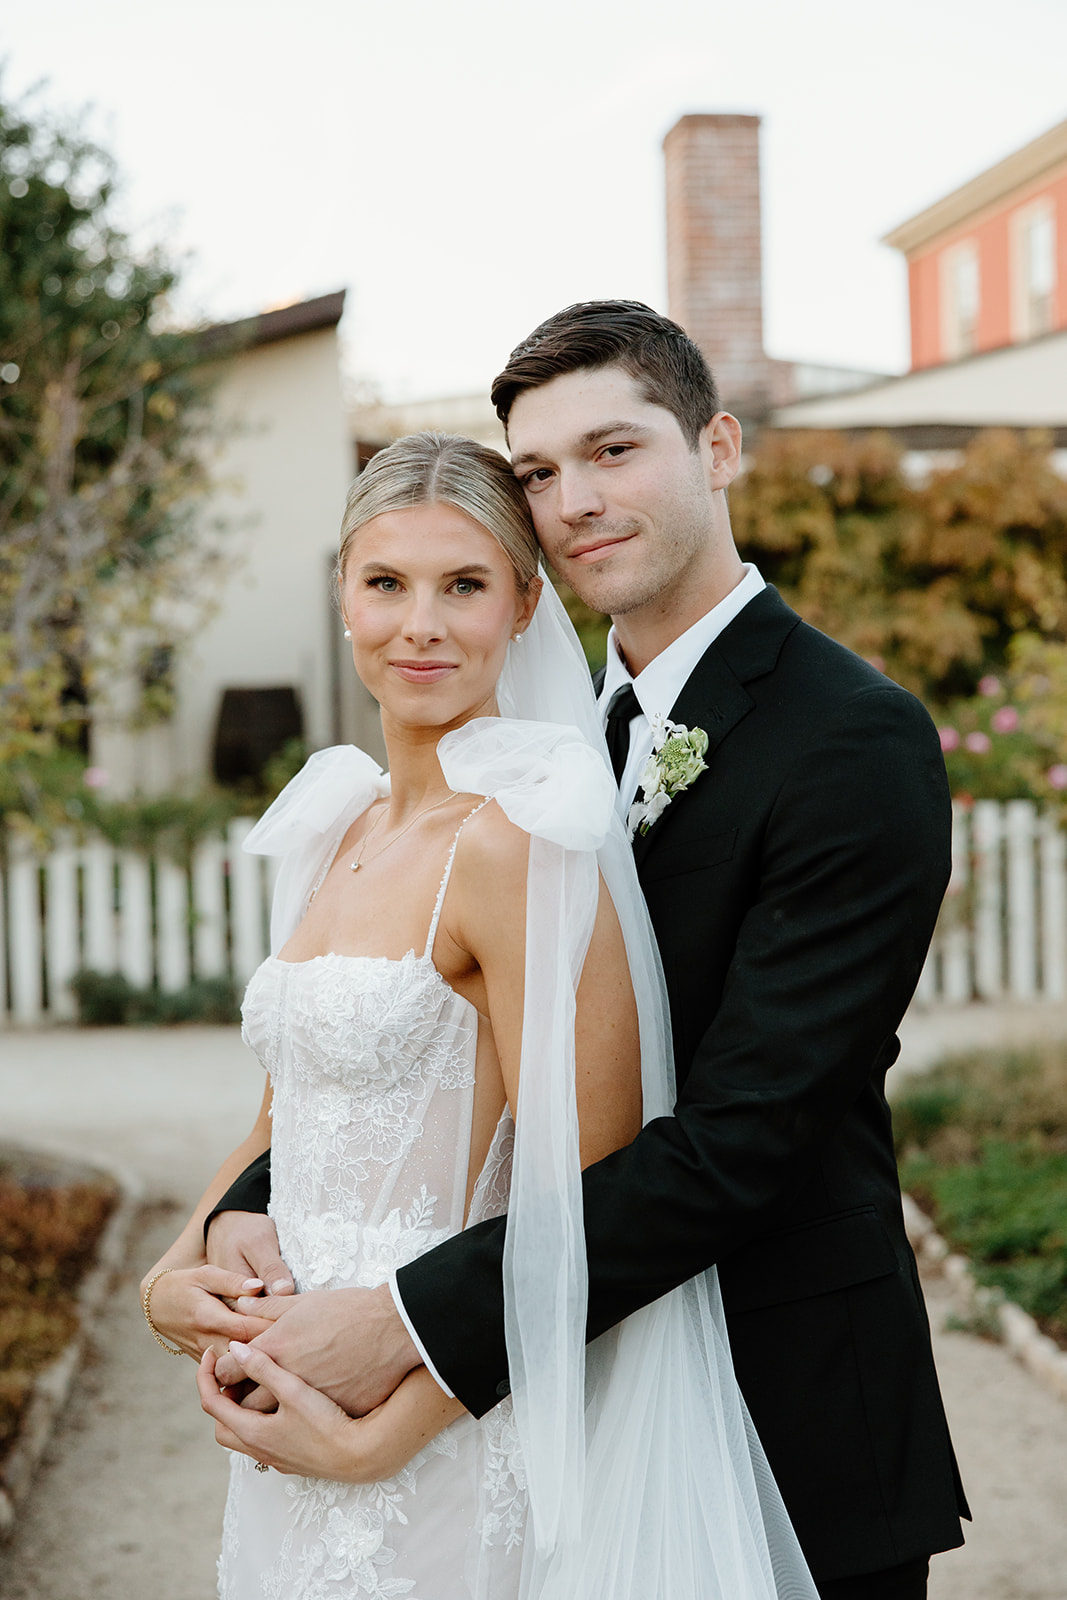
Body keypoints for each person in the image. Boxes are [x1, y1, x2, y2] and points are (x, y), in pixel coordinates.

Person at [205, 303, 969, 1599]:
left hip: (775, 1418)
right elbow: (436, 1043)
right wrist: (239, 1215)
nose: (574, 501)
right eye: (539, 472)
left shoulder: (850, 738)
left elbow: (743, 1138)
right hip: (547, 1404)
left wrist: (406, 1329)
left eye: (613, 451)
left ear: (716, 448)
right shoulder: (530, 744)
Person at [142, 429, 818, 1599]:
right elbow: (275, 1122)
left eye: (463, 585)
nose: (421, 625)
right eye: (386, 583)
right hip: (283, 1403)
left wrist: (381, 1436)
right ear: (342, 596)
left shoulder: (516, 848)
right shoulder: (336, 824)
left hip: (437, 1422)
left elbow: (587, 1211)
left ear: (523, 603)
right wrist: (172, 1274)